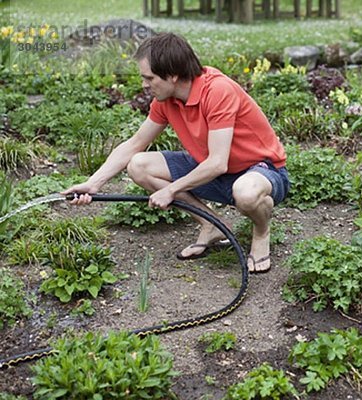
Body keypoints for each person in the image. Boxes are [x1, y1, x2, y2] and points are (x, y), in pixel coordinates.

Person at [62, 32, 289, 273]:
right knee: (139, 165)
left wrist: (171, 190)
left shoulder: (218, 91)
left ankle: (261, 232)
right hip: (215, 171)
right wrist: (93, 183)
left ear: (172, 75)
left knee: (245, 192)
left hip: (260, 172)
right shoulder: (165, 100)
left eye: (149, 77)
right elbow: (135, 143)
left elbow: (218, 163)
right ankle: (212, 225)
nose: (144, 84)